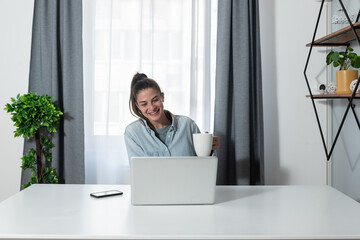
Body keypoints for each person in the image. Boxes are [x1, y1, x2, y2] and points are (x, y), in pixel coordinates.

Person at [124, 72, 219, 160]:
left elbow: (203, 165)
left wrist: (209, 149)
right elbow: (140, 172)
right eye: (144, 104)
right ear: (137, 106)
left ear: (162, 97)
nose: (152, 107)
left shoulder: (187, 125)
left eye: (155, 100)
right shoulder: (133, 133)